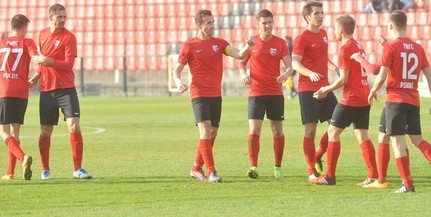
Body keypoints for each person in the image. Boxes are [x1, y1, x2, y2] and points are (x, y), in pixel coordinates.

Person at [172, 9, 255, 183]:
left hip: (215, 94)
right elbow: (177, 71)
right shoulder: (190, 45)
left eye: (213, 22)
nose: (212, 26)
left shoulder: (220, 43)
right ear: (199, 25)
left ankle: (196, 168)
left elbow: (239, 54)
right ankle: (212, 172)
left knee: (212, 133)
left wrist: (248, 45)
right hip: (198, 93)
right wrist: (179, 83)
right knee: (205, 130)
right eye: (208, 23)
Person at [352, 38, 431, 190]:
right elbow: (429, 74)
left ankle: (407, 184)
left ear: (390, 25)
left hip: (395, 101)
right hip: (413, 100)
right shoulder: (417, 47)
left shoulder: (391, 47)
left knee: (397, 142)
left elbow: (380, 75)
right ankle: (381, 180)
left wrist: (373, 90)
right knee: (403, 138)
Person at [310, 15, 378, 185]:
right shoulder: (358, 46)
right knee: (362, 134)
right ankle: (373, 175)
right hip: (364, 96)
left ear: (340, 30)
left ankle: (329, 176)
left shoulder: (345, 49)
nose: (333, 31)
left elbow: (343, 79)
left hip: (351, 98)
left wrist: (326, 89)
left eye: (334, 28)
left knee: (333, 132)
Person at [29, 4, 92, 180]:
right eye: (59, 17)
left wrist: (46, 60)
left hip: (66, 89)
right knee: (45, 132)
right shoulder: (42, 34)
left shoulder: (69, 38)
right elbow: (42, 63)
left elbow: (68, 65)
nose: (63, 20)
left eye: (65, 17)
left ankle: (77, 168)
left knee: (74, 125)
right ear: (51, 17)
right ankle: (45, 170)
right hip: (47, 90)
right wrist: (36, 76)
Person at [239, 9, 293, 179]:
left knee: (277, 131)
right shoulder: (251, 42)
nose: (268, 26)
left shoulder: (280, 43)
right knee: (254, 130)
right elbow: (241, 63)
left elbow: (290, 67)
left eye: (270, 22)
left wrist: (285, 74)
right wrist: (244, 74)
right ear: (258, 24)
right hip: (256, 92)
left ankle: (277, 166)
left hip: (275, 93)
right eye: (264, 23)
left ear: (273, 22)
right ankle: (253, 166)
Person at [291, 1, 339, 181]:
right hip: (308, 89)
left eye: (322, 12)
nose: (321, 16)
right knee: (310, 131)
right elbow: (295, 62)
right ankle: (311, 171)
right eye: (317, 13)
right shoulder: (302, 38)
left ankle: (318, 154)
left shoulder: (324, 34)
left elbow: (322, 58)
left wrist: (335, 68)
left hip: (325, 87)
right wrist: (309, 73)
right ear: (307, 17)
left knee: (337, 125)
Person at [0, 14, 36, 181]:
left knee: (4, 132)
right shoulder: (27, 42)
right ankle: (10, 172)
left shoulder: (2, 44)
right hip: (21, 92)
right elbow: (36, 58)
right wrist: (36, 77)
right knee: (15, 133)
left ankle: (22, 158)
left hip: (4, 90)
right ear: (23, 28)